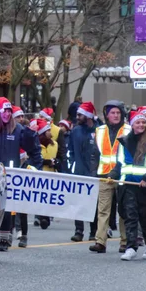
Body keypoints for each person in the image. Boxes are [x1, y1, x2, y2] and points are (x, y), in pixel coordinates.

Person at [0, 97, 43, 251]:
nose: (7, 114)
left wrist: (31, 134)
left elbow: (29, 147)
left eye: (9, 111)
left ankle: (5, 239)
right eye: (4, 111)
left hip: (11, 175)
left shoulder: (18, 129)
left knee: (7, 208)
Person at [107, 109, 146, 261]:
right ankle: (131, 247)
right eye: (138, 122)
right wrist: (112, 176)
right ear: (132, 125)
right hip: (127, 185)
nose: (141, 125)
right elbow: (119, 164)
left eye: (143, 122)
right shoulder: (124, 142)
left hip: (145, 186)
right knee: (130, 217)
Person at [89, 101, 130, 254]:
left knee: (123, 210)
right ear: (107, 115)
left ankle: (125, 242)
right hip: (104, 175)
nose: (115, 115)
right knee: (103, 209)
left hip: (122, 175)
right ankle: (100, 241)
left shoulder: (128, 130)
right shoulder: (99, 130)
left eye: (118, 113)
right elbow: (95, 154)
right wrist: (93, 173)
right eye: (112, 113)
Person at [68, 101, 99, 242]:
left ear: (88, 116)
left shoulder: (99, 130)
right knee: (78, 202)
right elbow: (71, 151)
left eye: (80, 114)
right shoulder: (75, 131)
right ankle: (78, 230)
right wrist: (71, 168)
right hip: (78, 172)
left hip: (94, 172)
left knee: (94, 203)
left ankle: (94, 231)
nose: (77, 117)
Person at [35, 119, 61, 230]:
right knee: (41, 197)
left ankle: (46, 216)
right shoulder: (36, 145)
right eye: (48, 130)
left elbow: (59, 156)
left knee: (49, 197)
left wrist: (56, 162)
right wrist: (46, 162)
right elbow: (35, 159)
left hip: (51, 174)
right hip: (39, 174)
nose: (51, 132)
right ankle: (42, 217)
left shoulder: (55, 144)